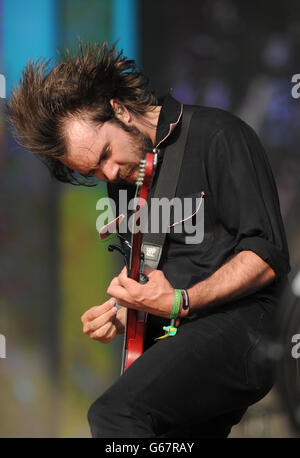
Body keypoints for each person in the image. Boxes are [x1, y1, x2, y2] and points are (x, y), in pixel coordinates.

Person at [8, 42, 290, 438]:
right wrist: (125, 308)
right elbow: (159, 267)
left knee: (114, 415)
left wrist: (181, 300)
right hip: (180, 336)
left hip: (246, 326)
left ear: (120, 110)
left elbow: (267, 255)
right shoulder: (123, 178)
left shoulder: (218, 134)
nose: (110, 173)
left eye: (106, 153)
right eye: (94, 171)